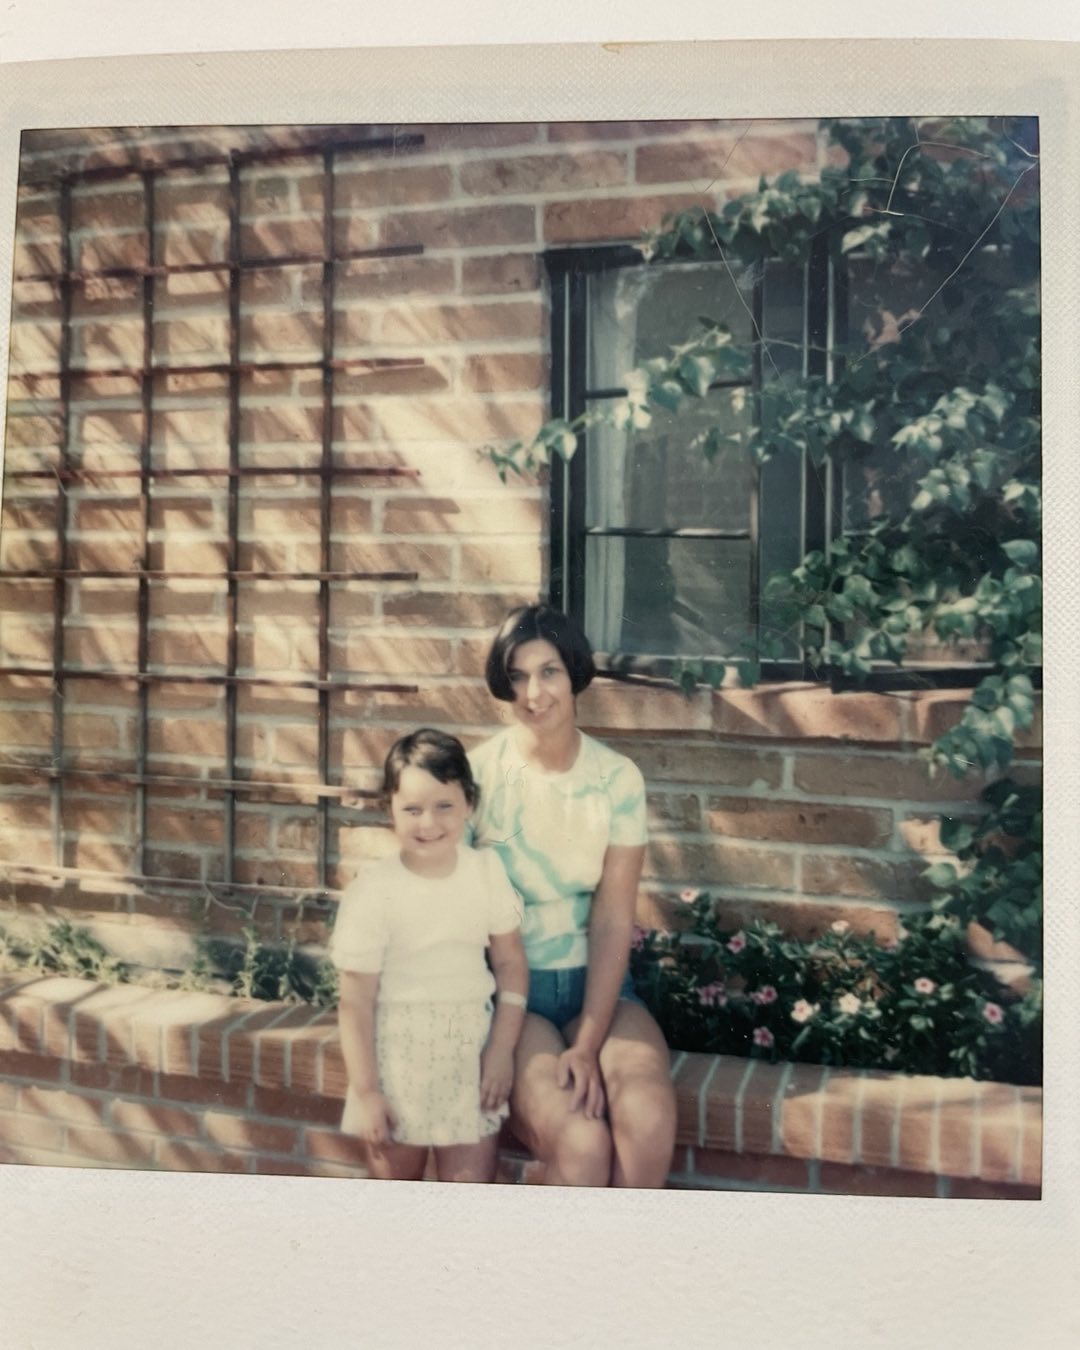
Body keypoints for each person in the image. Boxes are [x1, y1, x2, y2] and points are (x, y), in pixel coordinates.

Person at [469, 605, 677, 1187]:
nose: (534, 693)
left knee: (649, 1118)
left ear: (575, 673)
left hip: (600, 987)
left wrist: (587, 1043)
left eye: (550, 671)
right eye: (517, 675)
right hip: (516, 1001)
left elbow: (613, 920)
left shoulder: (616, 780)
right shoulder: (477, 776)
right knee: (582, 1142)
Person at [331, 728, 528, 1183]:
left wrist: (501, 1048)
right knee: (395, 1211)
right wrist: (366, 1092)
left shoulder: (486, 873)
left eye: (445, 806)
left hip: (470, 1057)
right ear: (390, 811)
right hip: (396, 1063)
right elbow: (355, 1002)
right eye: (412, 809)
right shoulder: (374, 890)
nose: (429, 823)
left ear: (469, 804)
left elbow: (511, 965)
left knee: (468, 1204)